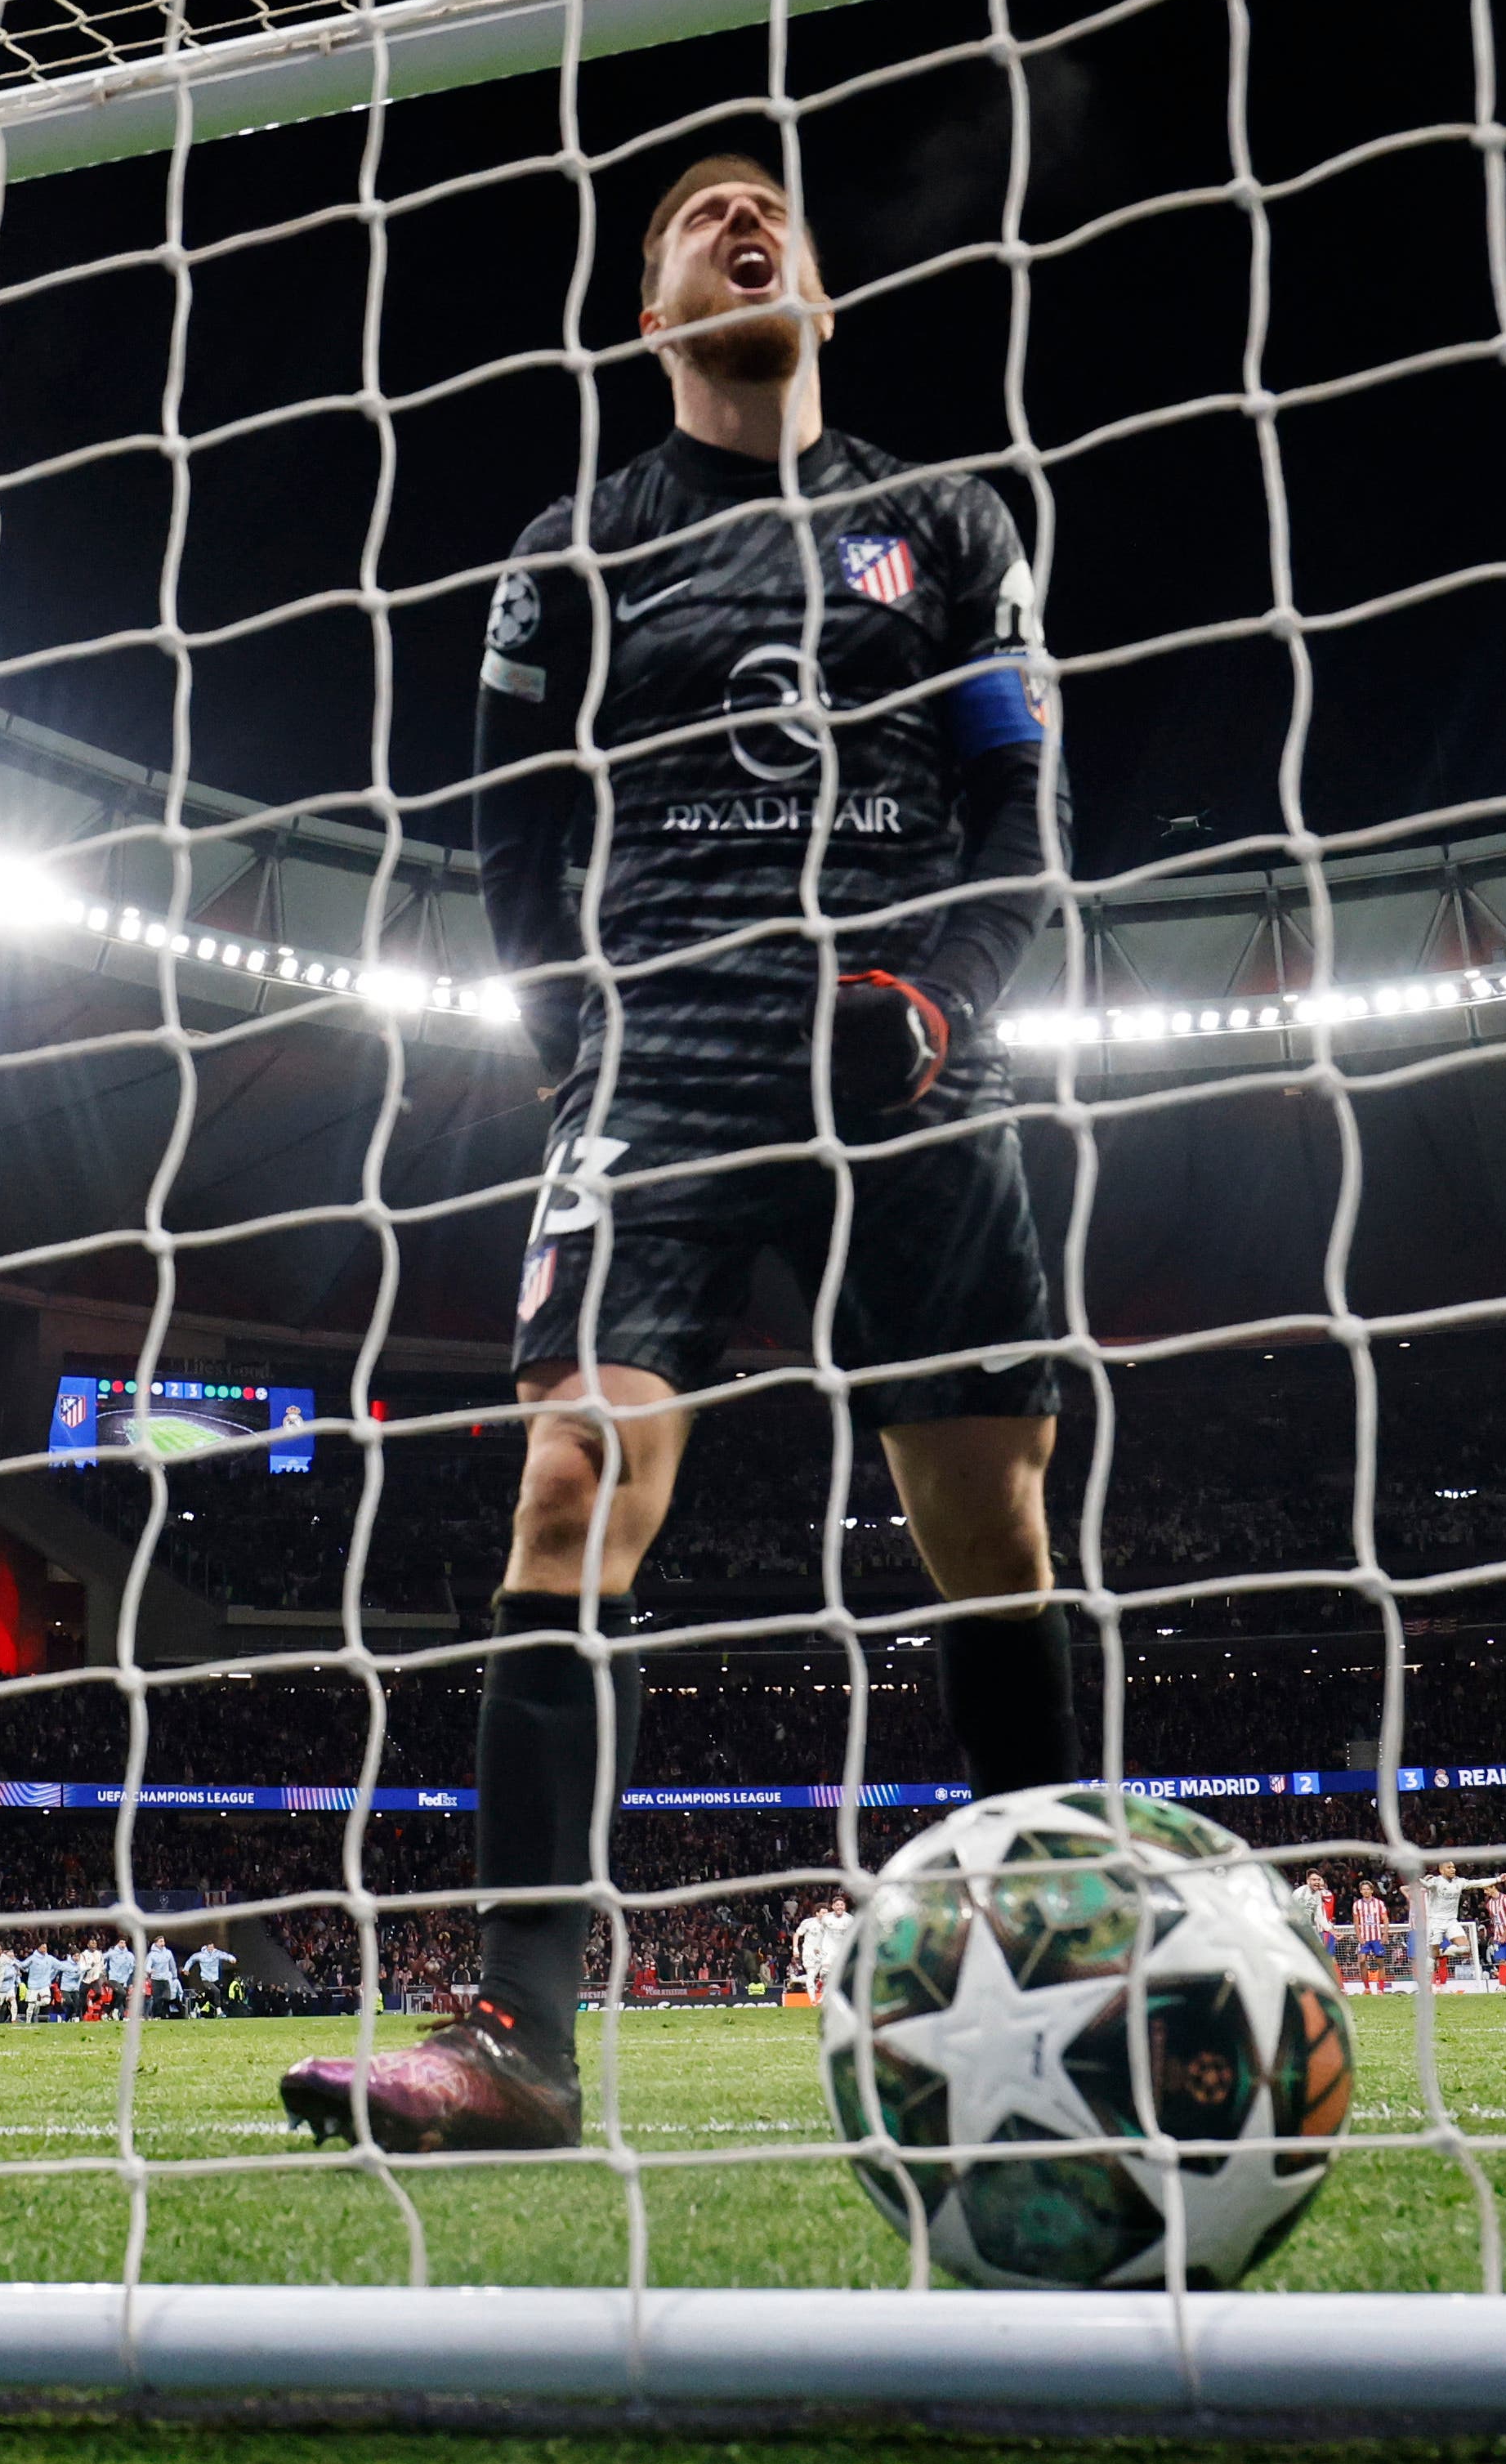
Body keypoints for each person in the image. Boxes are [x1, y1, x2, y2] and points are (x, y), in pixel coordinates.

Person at [280, 150, 1072, 2158]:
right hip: (664, 1068)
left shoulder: (944, 522)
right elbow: (511, 849)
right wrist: (577, 1057)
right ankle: (518, 2043)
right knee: (567, 1482)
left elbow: (1019, 813)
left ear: (818, 288)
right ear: (650, 314)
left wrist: (936, 1001)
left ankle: (1066, 1994)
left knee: (988, 1532)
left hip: (904, 1060)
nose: (741, 227)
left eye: (772, 215)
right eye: (693, 225)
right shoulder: (573, 552)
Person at [791, 1892, 855, 2006]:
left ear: (845, 1906)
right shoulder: (814, 1922)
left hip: (837, 1951)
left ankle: (819, 1993)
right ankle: (813, 2000)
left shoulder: (850, 1920)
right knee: (816, 1974)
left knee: (827, 1975)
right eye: (837, 1905)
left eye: (842, 1905)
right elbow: (799, 1934)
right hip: (814, 1952)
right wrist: (796, 1949)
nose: (824, 1915)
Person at [1348, 1881, 1392, 1997]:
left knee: (1380, 1963)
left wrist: (1385, 1934)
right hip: (1365, 1938)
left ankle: (1381, 1989)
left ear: (1372, 1890)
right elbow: (1356, 1922)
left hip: (1377, 1938)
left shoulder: (1379, 1904)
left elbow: (1385, 1919)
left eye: (1368, 1889)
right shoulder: (1357, 1905)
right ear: (1361, 1891)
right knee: (1362, 1960)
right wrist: (1359, 1937)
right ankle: (1367, 1988)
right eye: (1363, 1889)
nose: (1366, 1891)